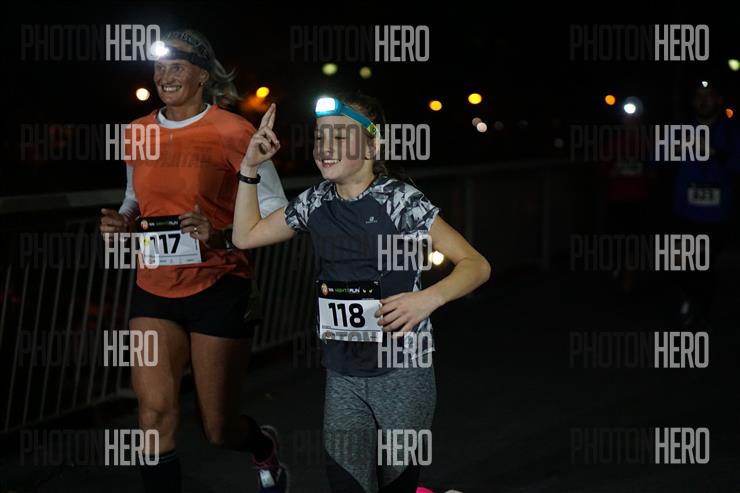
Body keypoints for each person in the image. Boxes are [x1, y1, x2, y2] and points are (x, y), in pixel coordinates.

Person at [232, 93, 491, 492]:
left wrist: (426, 300)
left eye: (340, 137)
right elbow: (245, 236)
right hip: (344, 376)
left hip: (403, 373)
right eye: (321, 137)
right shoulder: (315, 201)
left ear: (372, 146)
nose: (325, 147)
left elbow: (476, 265)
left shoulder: (400, 200)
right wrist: (250, 168)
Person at [98, 29, 289, 492]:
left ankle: (262, 446)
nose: (165, 75)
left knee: (218, 428)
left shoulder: (233, 131)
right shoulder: (137, 131)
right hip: (154, 287)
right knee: (153, 414)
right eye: (160, 66)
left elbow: (277, 210)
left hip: (218, 285)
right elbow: (133, 197)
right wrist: (124, 220)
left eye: (177, 66)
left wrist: (218, 232)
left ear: (203, 75)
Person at [671, 82, 740, 328]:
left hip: (716, 215)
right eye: (699, 96)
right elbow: (655, 160)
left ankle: (701, 309)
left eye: (709, 96)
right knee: (680, 262)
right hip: (684, 211)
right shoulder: (680, 129)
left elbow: (736, 165)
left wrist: (714, 152)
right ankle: (691, 300)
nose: (703, 100)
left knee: (704, 262)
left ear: (718, 100)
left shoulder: (732, 131)